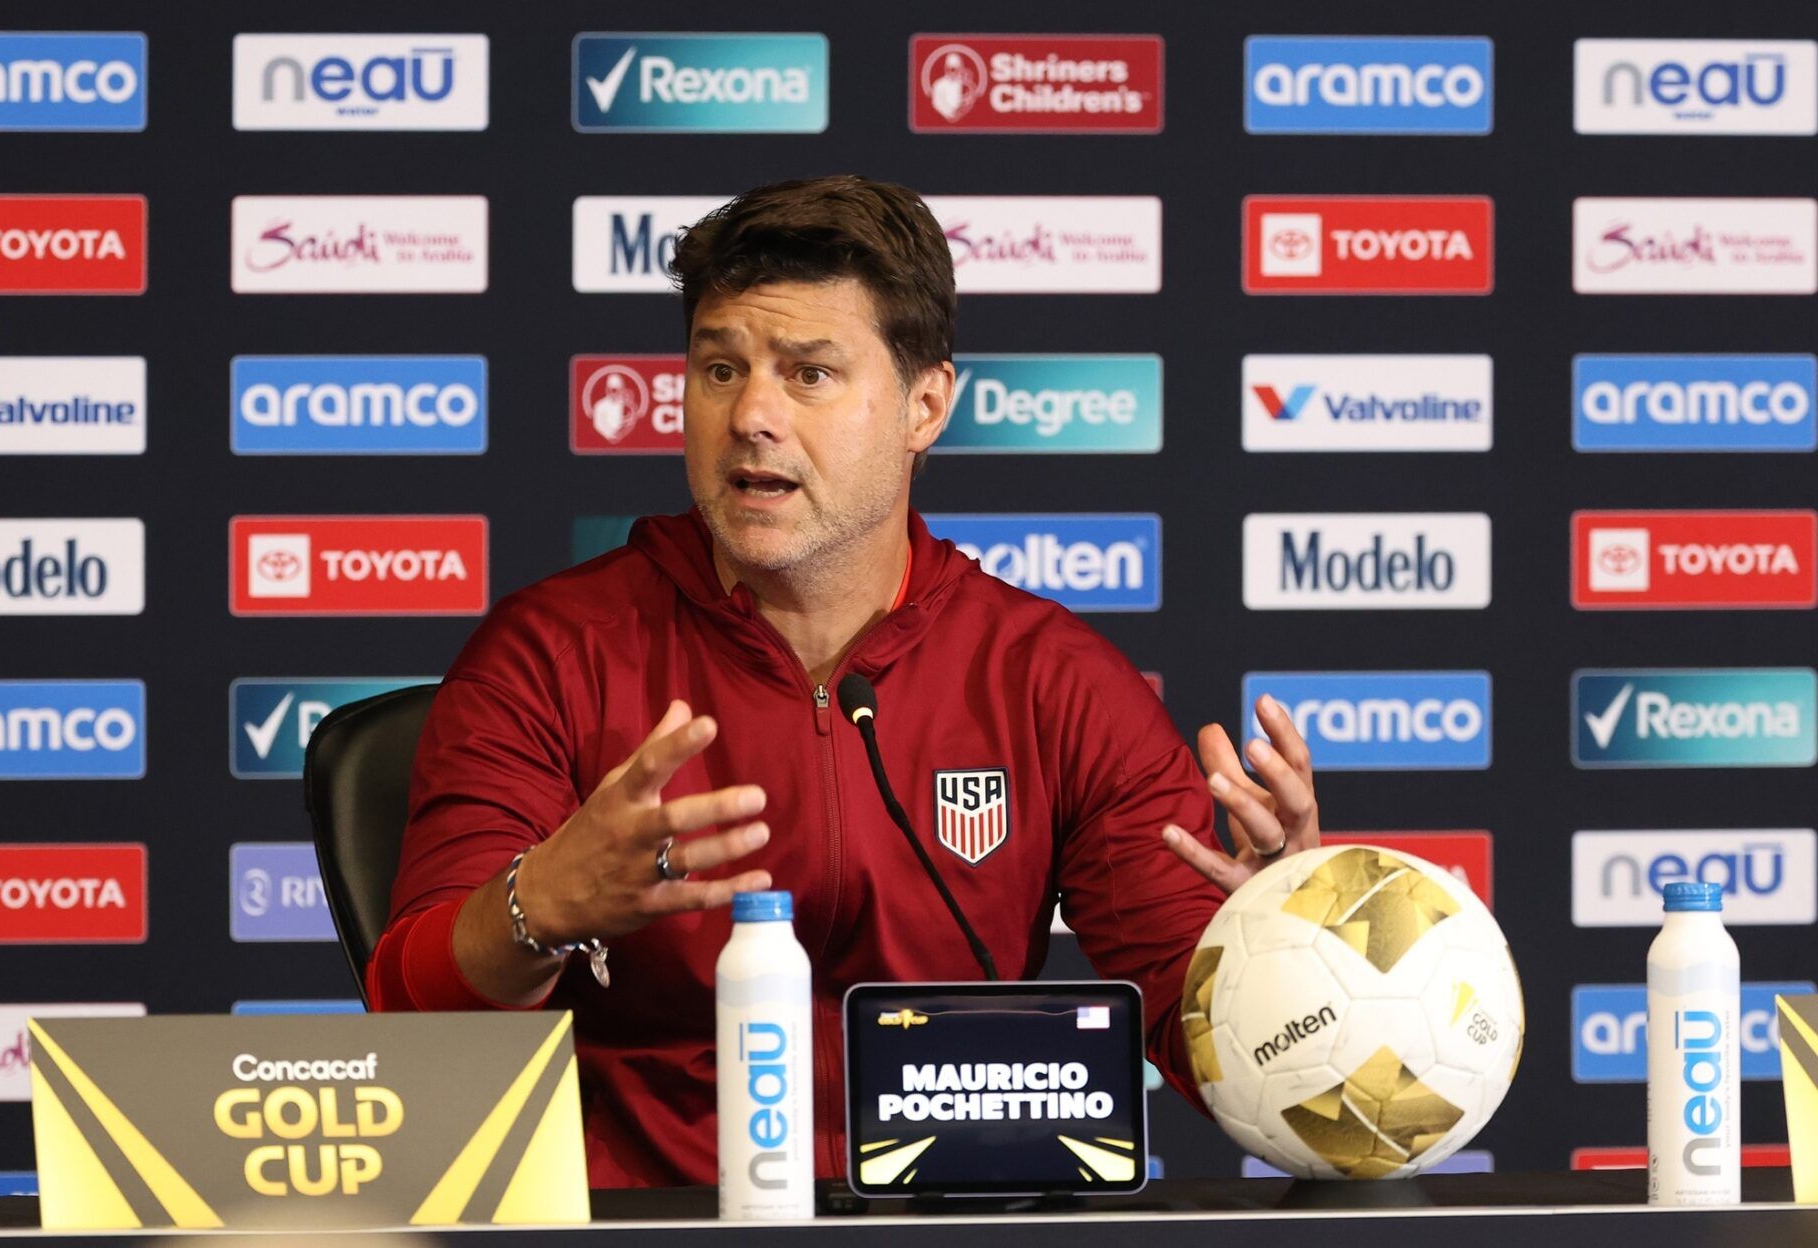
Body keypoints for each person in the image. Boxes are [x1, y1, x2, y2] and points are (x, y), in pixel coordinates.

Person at [368, 176, 1323, 1188]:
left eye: (810, 374)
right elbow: (413, 1016)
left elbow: (1213, 1044)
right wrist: (537, 907)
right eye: (720, 368)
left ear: (925, 405)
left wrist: (1288, 955)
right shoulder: (551, 654)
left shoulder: (1054, 683)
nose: (752, 417)